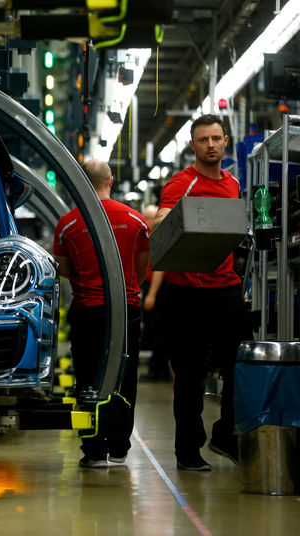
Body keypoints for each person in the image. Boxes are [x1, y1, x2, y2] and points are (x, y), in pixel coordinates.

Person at [152, 114, 252, 471]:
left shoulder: (233, 184)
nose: (211, 145)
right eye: (203, 140)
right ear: (192, 145)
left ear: (226, 141)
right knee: (190, 376)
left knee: (241, 366)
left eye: (216, 138)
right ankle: (188, 451)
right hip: (186, 294)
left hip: (226, 289)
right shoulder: (182, 183)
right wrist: (178, 217)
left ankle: (227, 434)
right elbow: (159, 222)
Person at [53, 160, 149, 468]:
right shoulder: (135, 220)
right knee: (124, 376)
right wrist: (128, 287)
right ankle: (120, 446)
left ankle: (93, 450)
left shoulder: (68, 222)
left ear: (81, 181)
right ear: (110, 181)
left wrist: (85, 280)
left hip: (87, 310)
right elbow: (143, 266)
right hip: (126, 310)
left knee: (88, 376)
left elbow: (62, 267)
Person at [139, 205, 171, 382]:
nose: (146, 222)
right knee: (156, 331)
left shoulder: (160, 237)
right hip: (152, 288)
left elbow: (160, 268)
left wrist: (151, 294)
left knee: (158, 331)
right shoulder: (150, 237)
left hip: (159, 290)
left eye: (148, 218)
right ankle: (159, 370)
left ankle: (158, 371)